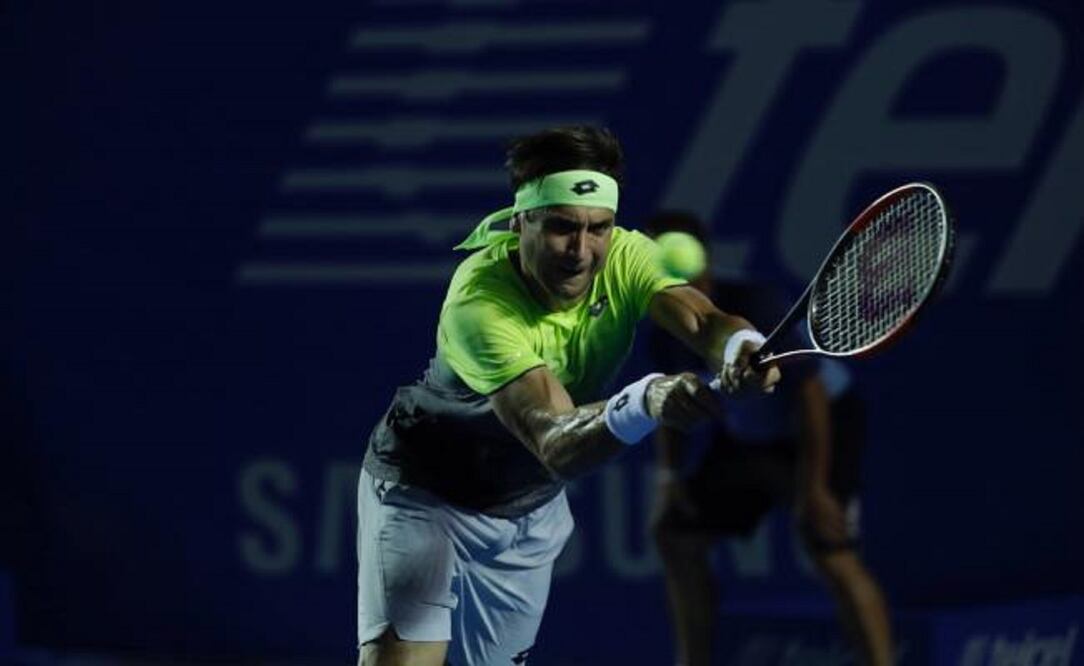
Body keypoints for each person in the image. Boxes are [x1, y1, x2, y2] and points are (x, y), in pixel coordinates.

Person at [356, 126, 780, 666]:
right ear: (520, 222)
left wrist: (740, 347)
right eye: (561, 228)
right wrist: (645, 400)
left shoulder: (627, 257)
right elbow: (555, 440)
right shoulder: (479, 304)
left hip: (526, 511)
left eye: (598, 229)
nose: (582, 252)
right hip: (427, 496)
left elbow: (704, 320)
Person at [644, 212, 895, 666]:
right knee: (674, 534)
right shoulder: (663, 322)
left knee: (830, 548)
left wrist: (813, 489)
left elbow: (811, 393)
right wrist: (670, 477)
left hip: (820, 426)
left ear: (705, 259)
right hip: (748, 437)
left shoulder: (751, 302)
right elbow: (669, 401)